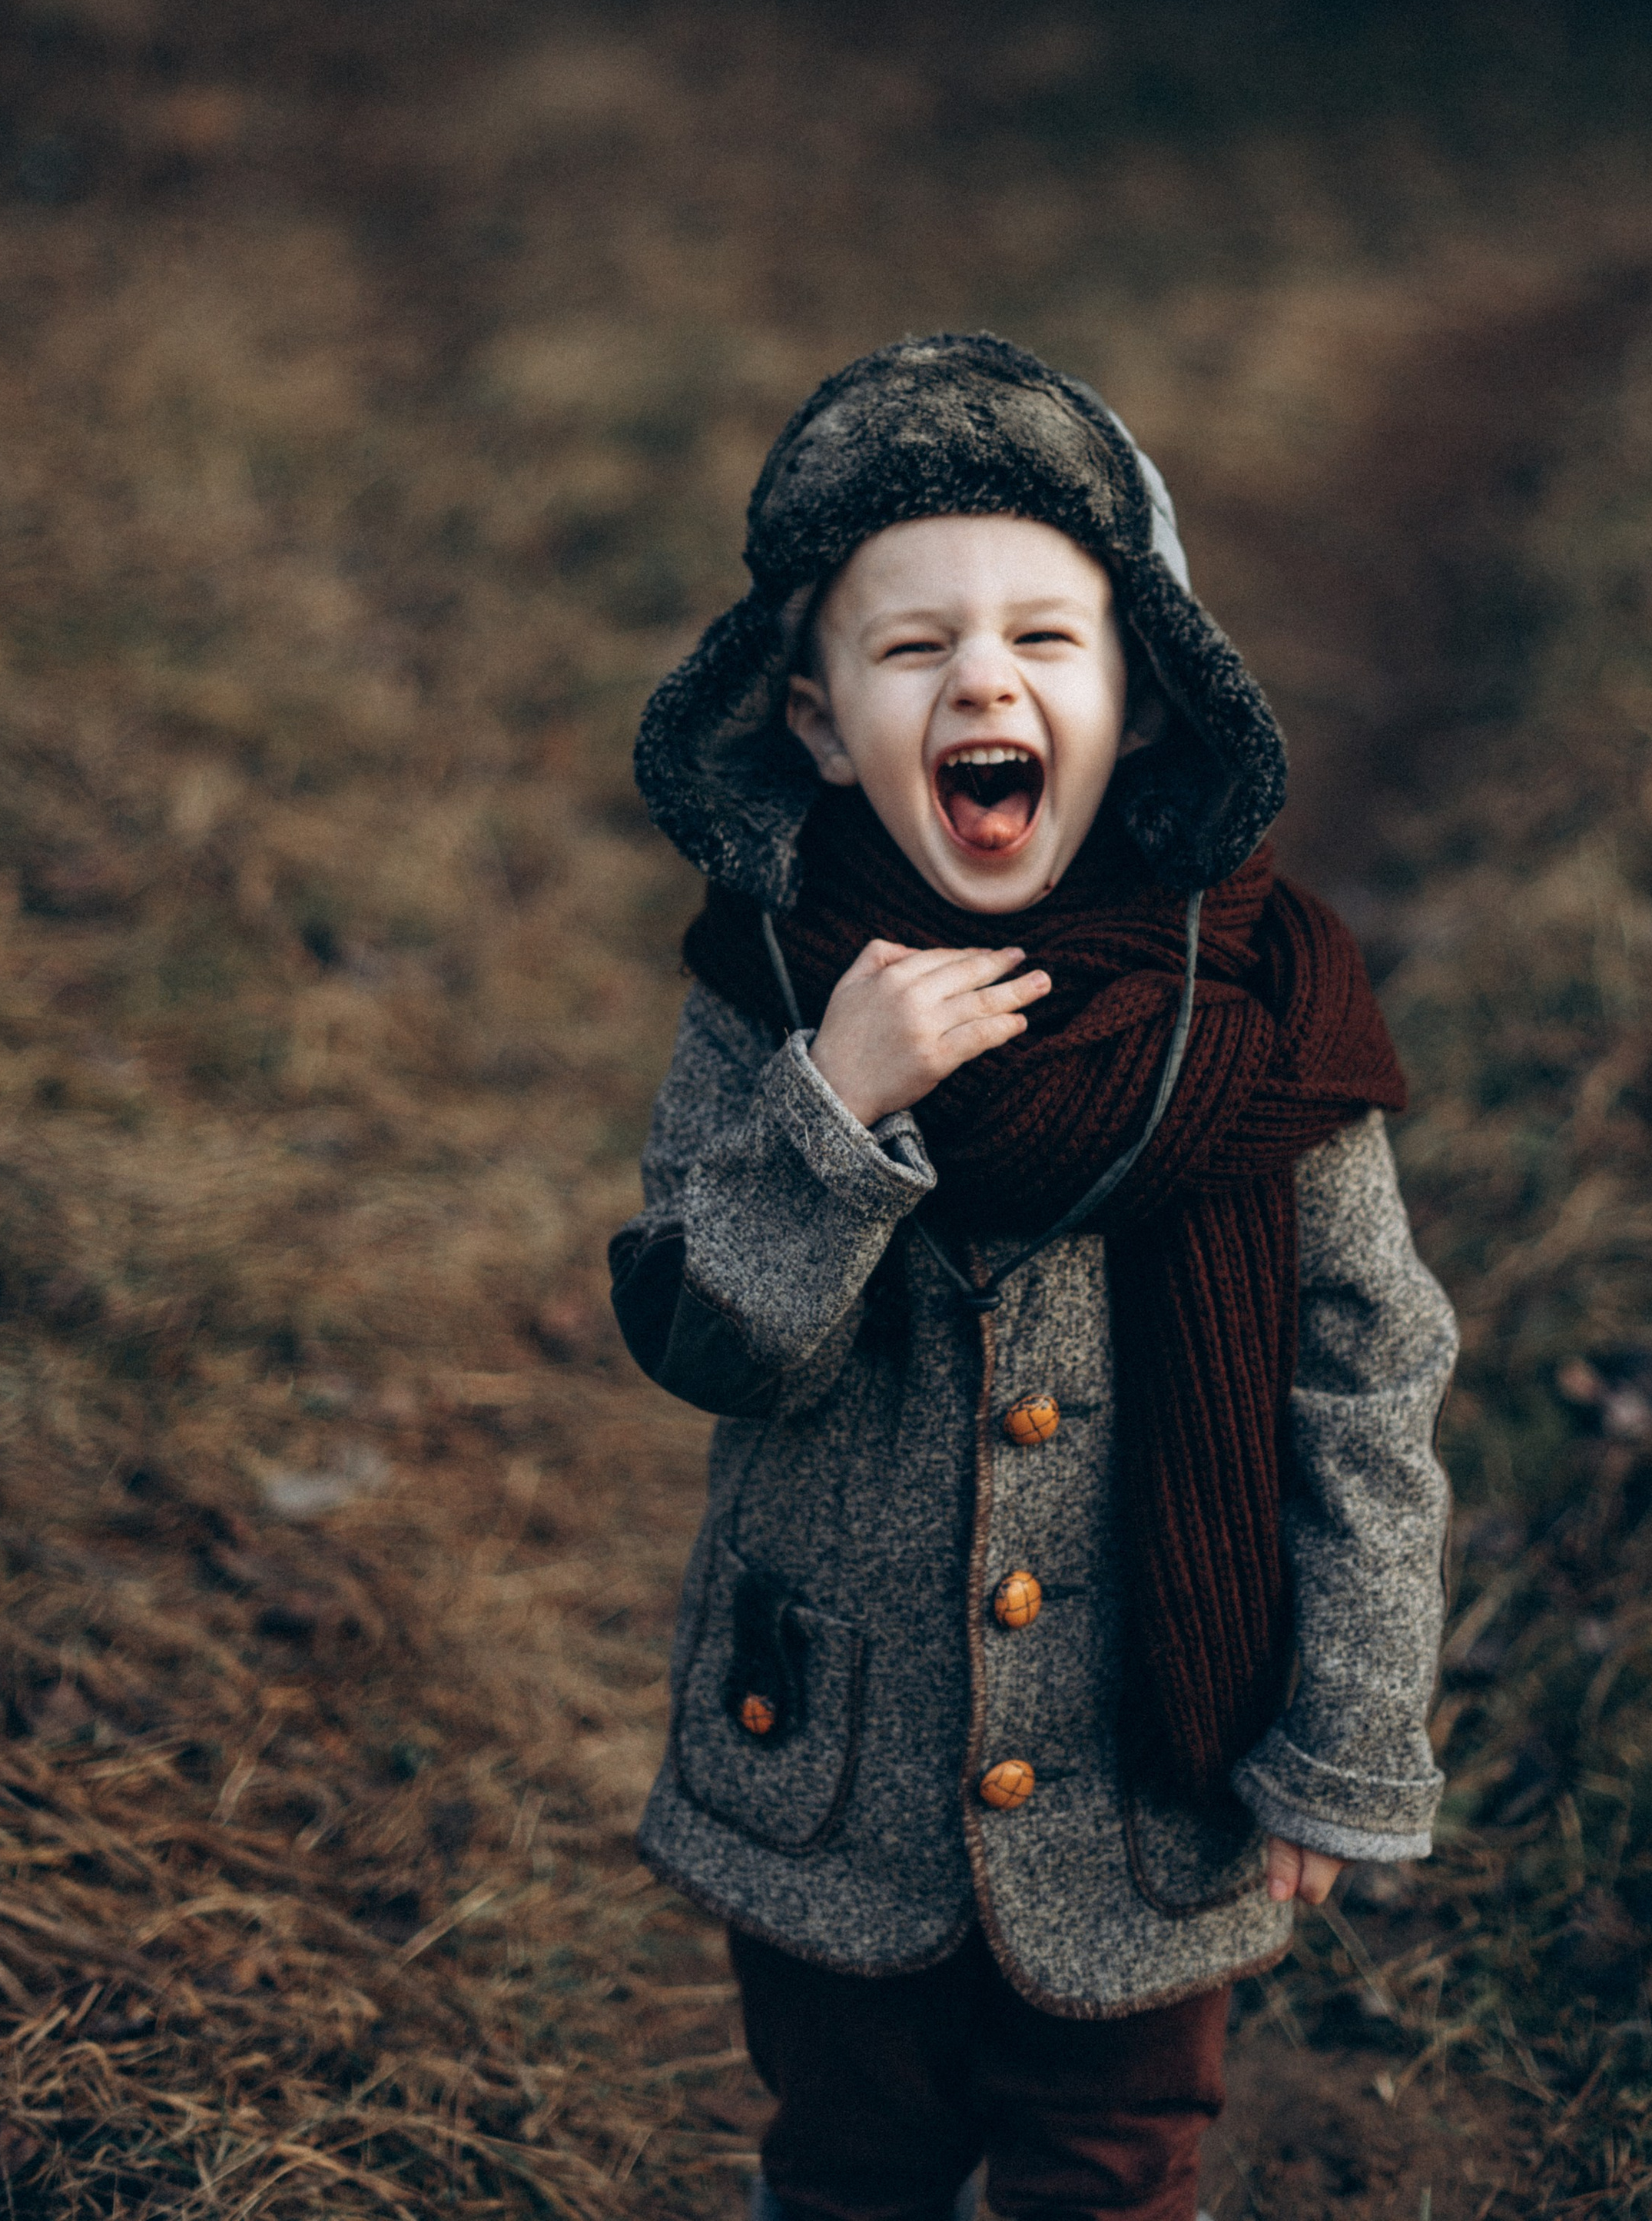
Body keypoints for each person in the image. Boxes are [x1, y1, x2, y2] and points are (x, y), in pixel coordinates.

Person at [611, 334, 1456, 2221]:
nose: (979, 678)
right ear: (819, 721)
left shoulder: (1262, 1024)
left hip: (1149, 1779)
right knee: (851, 2164)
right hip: (832, 1770)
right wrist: (835, 1108)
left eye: (1043, 643)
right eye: (910, 650)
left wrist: (1342, 1738)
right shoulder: (765, 1000)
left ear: (1145, 705)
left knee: (1117, 2170)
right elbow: (707, 1339)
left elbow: (1365, 1382)